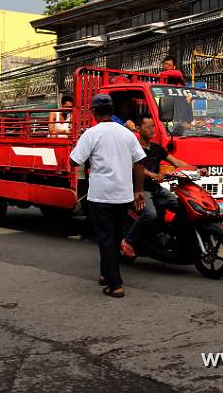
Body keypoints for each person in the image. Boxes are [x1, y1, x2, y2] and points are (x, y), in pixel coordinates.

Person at [70, 94, 146, 298]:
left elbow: (74, 161)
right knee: (114, 237)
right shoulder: (127, 134)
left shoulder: (91, 134)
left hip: (100, 196)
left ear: (94, 113)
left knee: (105, 238)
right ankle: (105, 275)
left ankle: (115, 285)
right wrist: (138, 191)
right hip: (123, 197)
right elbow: (139, 163)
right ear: (112, 111)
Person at [121, 114, 188, 258]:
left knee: (185, 207)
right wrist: (153, 175)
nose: (152, 129)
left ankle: (166, 234)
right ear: (138, 129)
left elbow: (176, 162)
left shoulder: (157, 148)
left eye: (153, 126)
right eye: (149, 126)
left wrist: (195, 168)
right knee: (150, 214)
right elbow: (136, 167)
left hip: (157, 189)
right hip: (141, 189)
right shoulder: (134, 148)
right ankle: (128, 241)